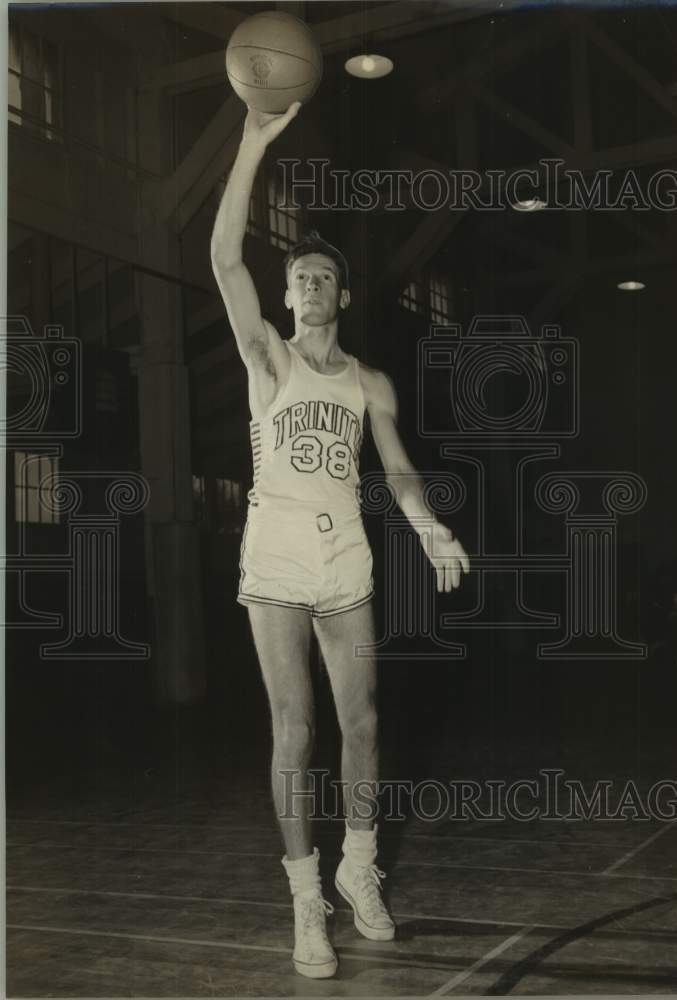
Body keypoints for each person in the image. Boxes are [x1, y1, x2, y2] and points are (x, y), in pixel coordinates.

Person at [210, 101, 470, 980]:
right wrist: (251, 144)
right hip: (277, 550)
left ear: (344, 296)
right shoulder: (268, 362)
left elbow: (396, 468)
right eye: (301, 276)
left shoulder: (370, 382)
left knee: (362, 723)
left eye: (325, 275)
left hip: (346, 552)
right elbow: (221, 257)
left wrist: (428, 527)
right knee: (297, 730)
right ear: (287, 296)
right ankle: (304, 903)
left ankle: (361, 868)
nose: (311, 283)